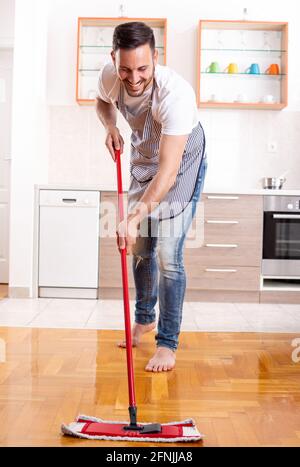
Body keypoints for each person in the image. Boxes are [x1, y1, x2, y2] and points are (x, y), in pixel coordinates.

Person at [96, 21, 207, 373]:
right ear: (114, 59)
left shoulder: (176, 95)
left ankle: (167, 342)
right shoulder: (110, 75)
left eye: (142, 68)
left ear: (155, 58)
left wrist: (131, 217)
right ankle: (144, 318)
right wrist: (111, 126)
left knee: (168, 256)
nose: (133, 77)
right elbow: (102, 103)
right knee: (141, 247)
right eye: (125, 68)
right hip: (144, 157)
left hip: (180, 162)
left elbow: (169, 172)